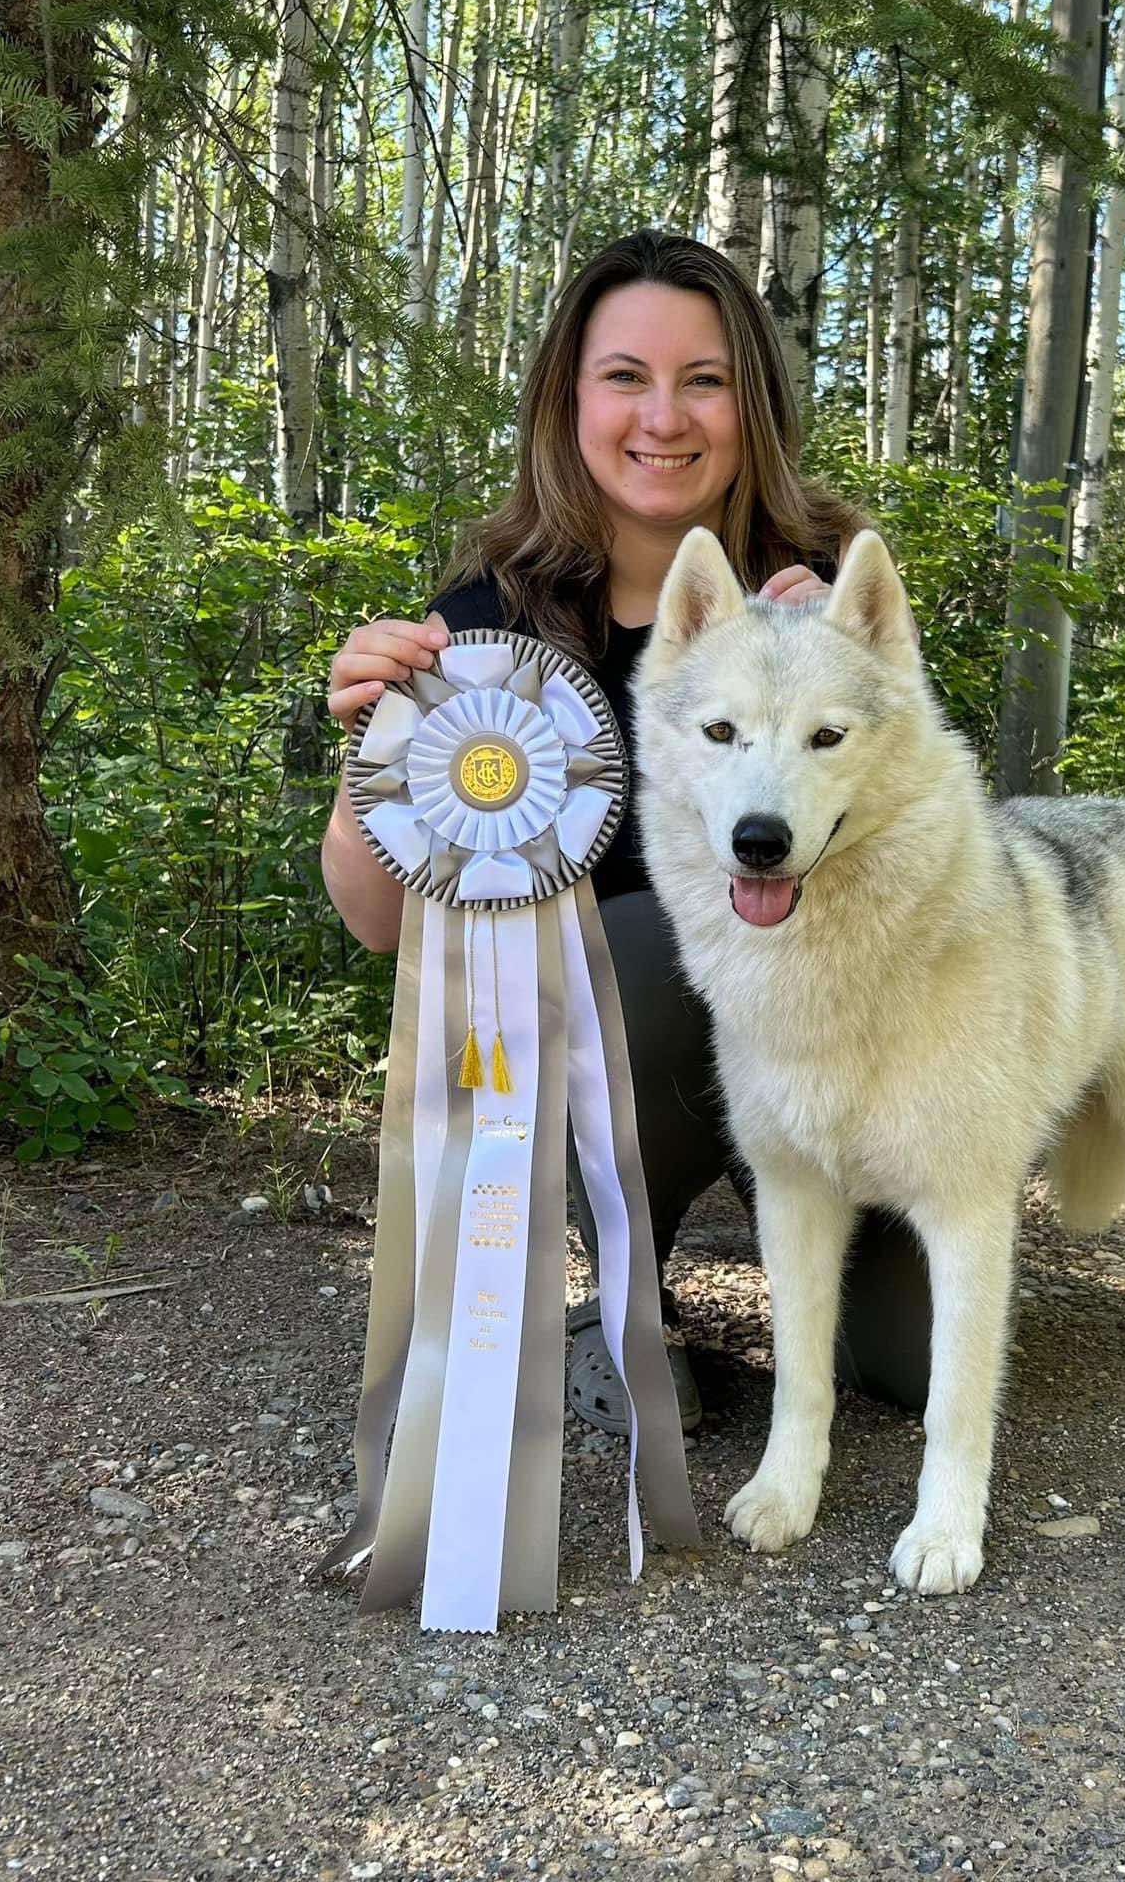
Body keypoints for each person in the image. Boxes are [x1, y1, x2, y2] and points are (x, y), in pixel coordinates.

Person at [321, 228, 932, 1437]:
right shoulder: (486, 623)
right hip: (605, 1052)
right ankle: (621, 1296)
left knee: (903, 1363)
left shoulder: (830, 592)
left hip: (844, 1042)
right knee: (651, 942)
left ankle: (837, 1227)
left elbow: (933, 853)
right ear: (570, 398)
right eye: (625, 377)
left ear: (753, 405)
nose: (664, 416)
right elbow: (381, 923)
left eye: (704, 379)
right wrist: (377, 752)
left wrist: (853, 686)